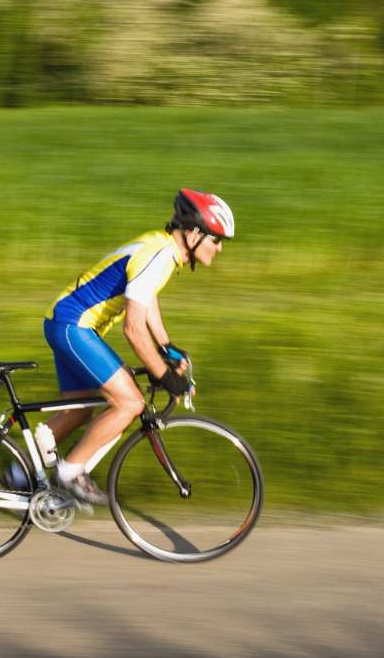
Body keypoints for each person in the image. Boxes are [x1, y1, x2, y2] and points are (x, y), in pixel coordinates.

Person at [22, 188, 235, 508]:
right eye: (216, 240)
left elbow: (145, 299)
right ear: (193, 234)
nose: (219, 249)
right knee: (130, 403)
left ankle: (16, 473)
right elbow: (133, 329)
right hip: (74, 327)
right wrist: (164, 374)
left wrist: (166, 346)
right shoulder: (161, 255)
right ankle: (70, 473)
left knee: (80, 410)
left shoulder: (161, 248)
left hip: (65, 322)